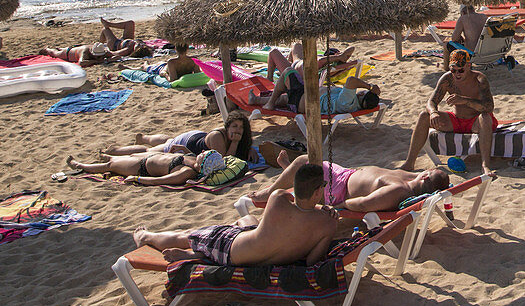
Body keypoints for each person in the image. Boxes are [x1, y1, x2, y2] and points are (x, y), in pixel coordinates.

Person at [132, 162, 338, 267]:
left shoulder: (278, 200)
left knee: (189, 234)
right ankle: (201, 254)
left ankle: (146, 238)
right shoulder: (328, 224)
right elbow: (312, 261)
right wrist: (322, 210)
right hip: (269, 257)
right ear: (318, 192)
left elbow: (295, 202)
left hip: (234, 252)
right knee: (247, 220)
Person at [248, 150, 450, 213]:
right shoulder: (412, 177)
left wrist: (339, 206)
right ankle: (291, 172)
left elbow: (365, 203)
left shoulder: (399, 189)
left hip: (338, 189)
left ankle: (268, 193)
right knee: (307, 164)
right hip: (344, 175)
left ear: (426, 176)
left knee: (306, 159)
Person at [400, 50, 496, 171]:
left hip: (475, 122)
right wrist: (434, 112)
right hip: (456, 121)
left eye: (461, 70)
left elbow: (489, 107)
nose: (457, 74)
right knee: (424, 115)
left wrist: (465, 101)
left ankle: (485, 165)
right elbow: (431, 101)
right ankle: (409, 163)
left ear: (468, 66)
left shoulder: (479, 79)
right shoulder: (447, 79)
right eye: (453, 70)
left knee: (485, 117)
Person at [105, 110, 257, 161]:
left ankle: (144, 138)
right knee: (150, 152)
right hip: (188, 143)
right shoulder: (218, 137)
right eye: (234, 126)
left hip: (196, 136)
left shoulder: (240, 136)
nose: (237, 130)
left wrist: (248, 149)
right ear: (227, 127)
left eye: (241, 127)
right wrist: (236, 144)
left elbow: (246, 147)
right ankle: (114, 152)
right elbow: (223, 161)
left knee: (168, 140)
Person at [67, 149, 226, 187]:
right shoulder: (192, 159)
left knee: (110, 166)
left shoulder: (186, 172)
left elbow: (161, 180)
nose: (203, 151)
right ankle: (109, 155)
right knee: (129, 156)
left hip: (142, 167)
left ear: (204, 163)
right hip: (150, 156)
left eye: (205, 154)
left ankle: (81, 166)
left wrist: (137, 179)